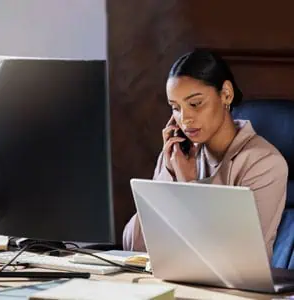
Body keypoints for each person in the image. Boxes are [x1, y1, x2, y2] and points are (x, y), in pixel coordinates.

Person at [122, 49, 288, 259]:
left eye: (195, 104)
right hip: (178, 283)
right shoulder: (177, 157)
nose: (185, 119)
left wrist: (188, 184)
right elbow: (134, 246)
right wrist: (169, 177)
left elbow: (231, 259)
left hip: (236, 290)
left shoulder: (264, 164)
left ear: (226, 93)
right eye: (175, 108)